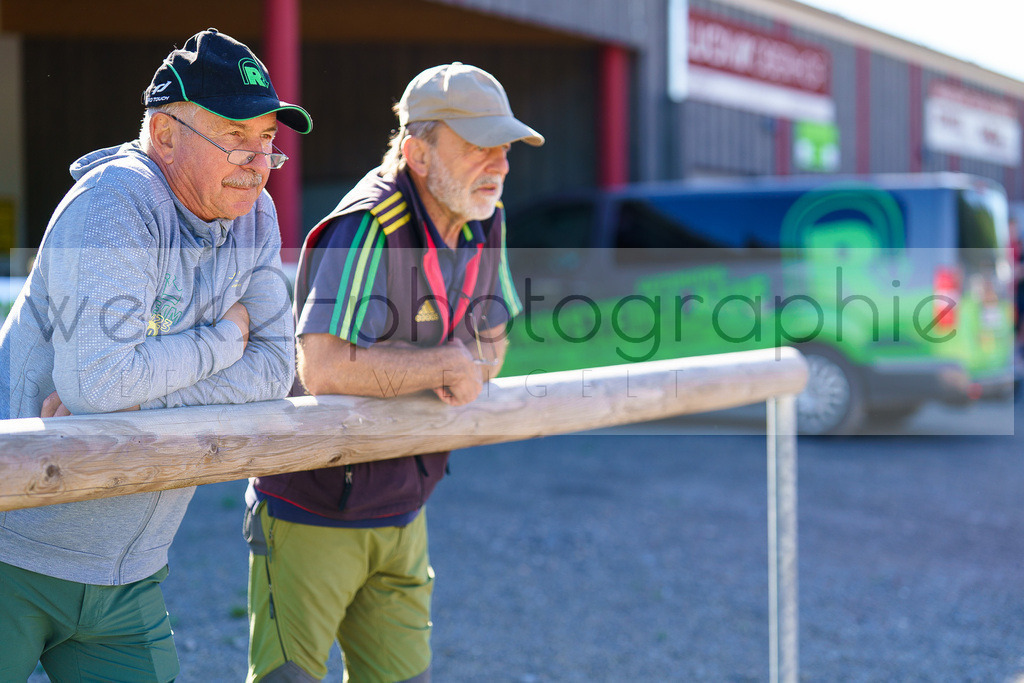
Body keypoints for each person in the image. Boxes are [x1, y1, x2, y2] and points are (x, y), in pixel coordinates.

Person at [0, 28, 311, 682]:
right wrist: (225, 340)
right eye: (234, 135)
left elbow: (276, 370)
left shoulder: (253, 216)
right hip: (11, 550)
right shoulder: (116, 201)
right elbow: (101, 382)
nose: (258, 161)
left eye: (266, 142)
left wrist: (141, 393)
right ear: (166, 135)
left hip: (130, 573)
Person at [245, 62, 543, 682]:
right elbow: (322, 366)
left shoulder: (486, 217)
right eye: (480, 148)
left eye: (506, 149)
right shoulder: (368, 226)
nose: (501, 166)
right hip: (313, 504)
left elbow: (494, 345)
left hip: (405, 504)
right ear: (418, 153)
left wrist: (465, 364)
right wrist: (443, 363)